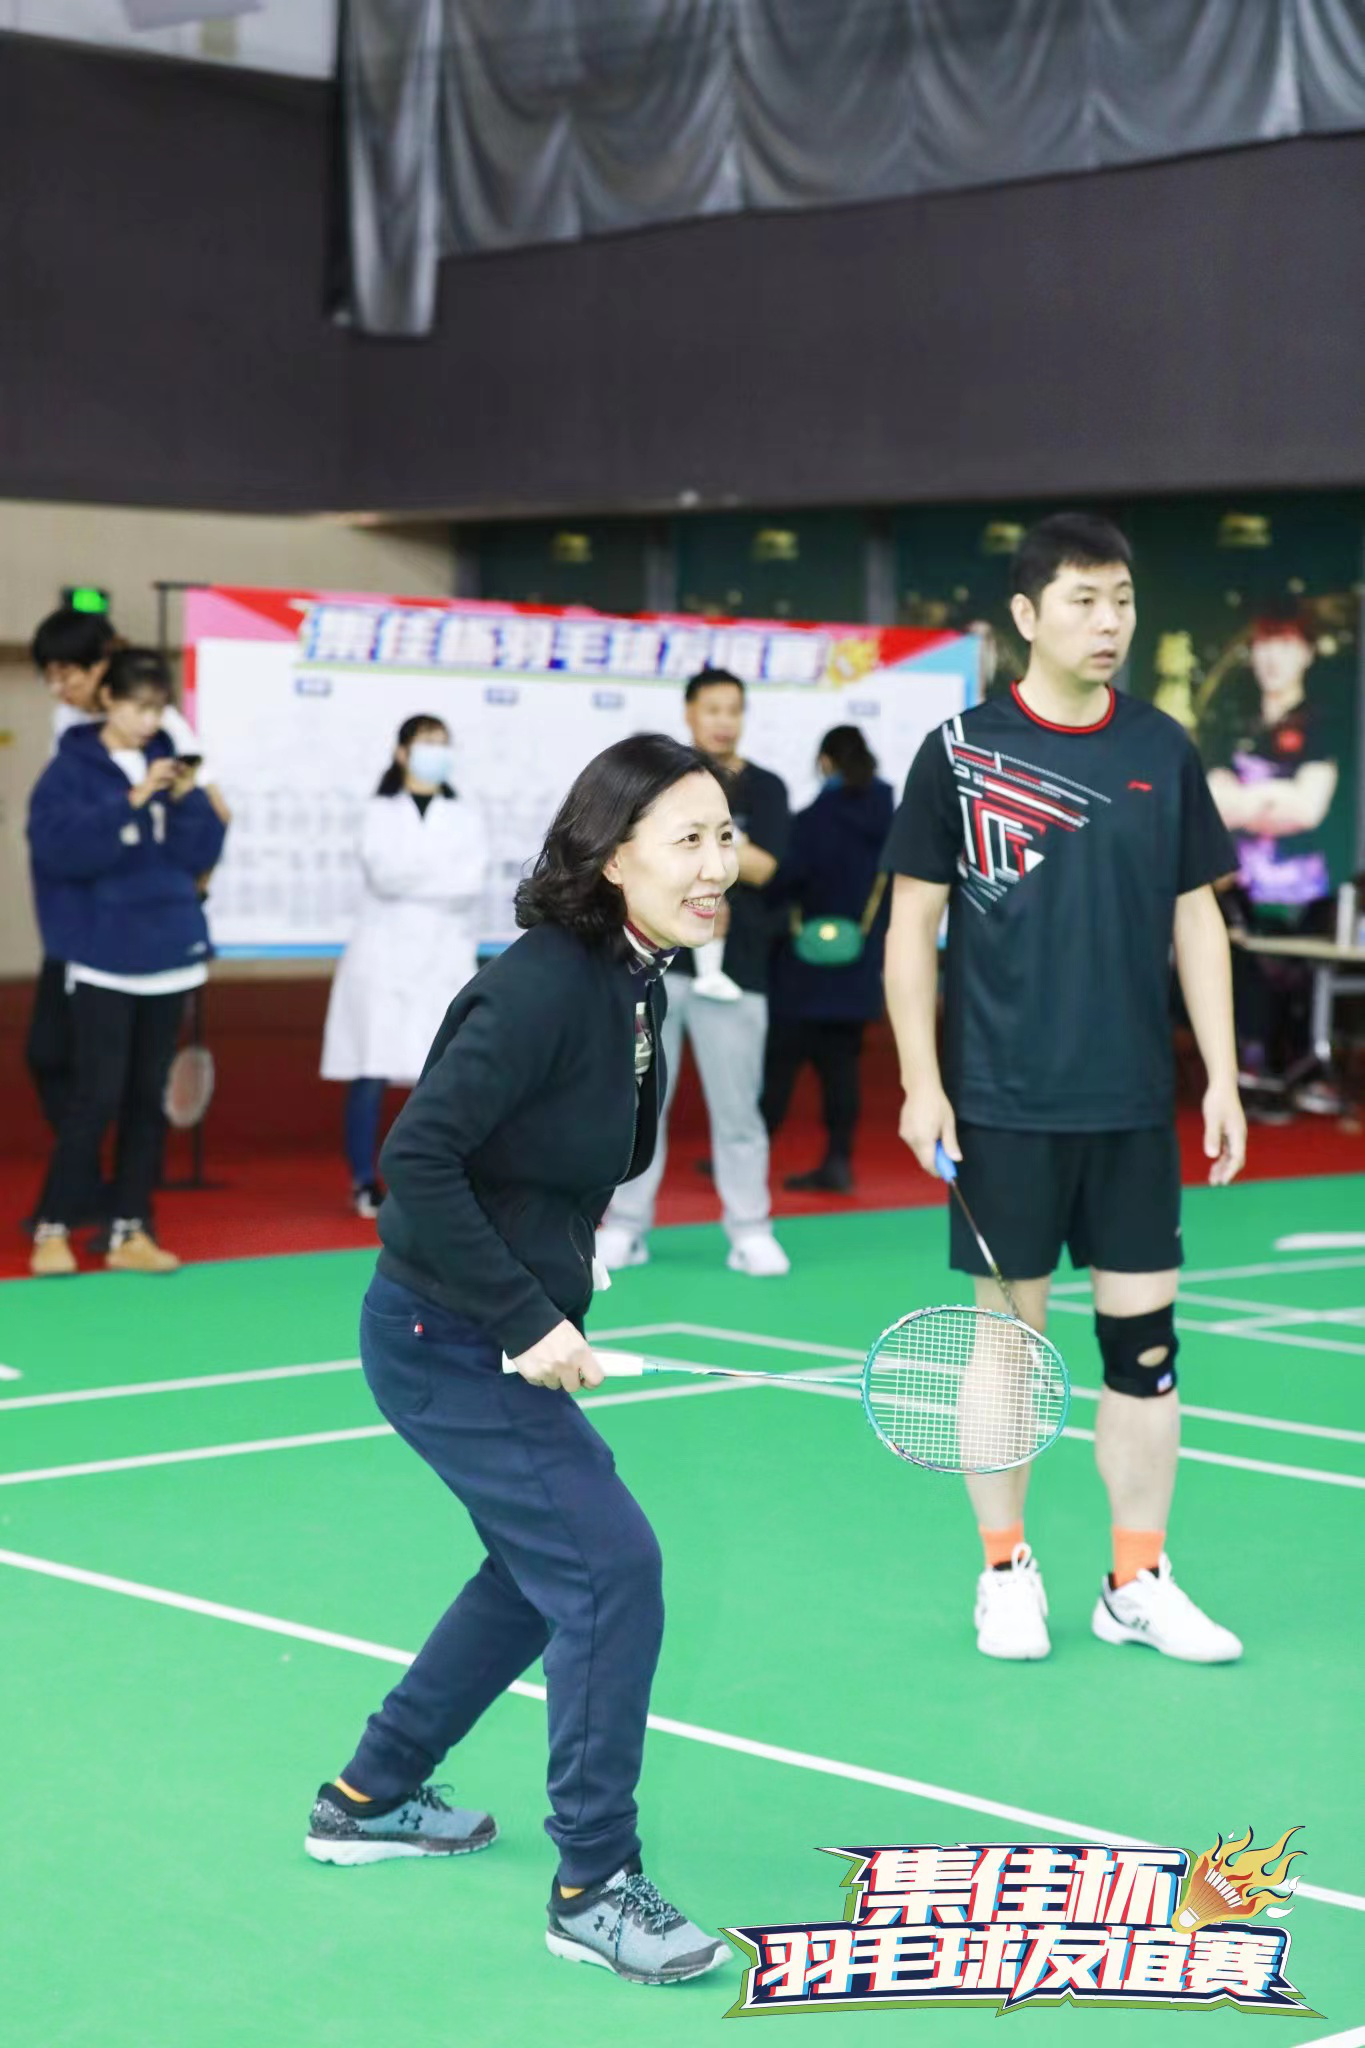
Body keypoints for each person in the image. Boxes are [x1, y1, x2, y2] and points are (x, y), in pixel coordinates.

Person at [304, 733, 737, 1985]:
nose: (717, 864)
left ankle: (370, 1793)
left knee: (535, 1568)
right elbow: (416, 1160)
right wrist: (524, 1316)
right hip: (441, 1335)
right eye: (689, 840)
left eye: (724, 836)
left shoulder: (637, 980)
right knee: (611, 1568)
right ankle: (593, 1881)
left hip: (488, 1325)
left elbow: (557, 1159)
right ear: (612, 858)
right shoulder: (543, 985)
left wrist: (559, 1285)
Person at [883, 512, 1247, 1665]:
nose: (1109, 622)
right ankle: (1004, 1569)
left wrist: (1222, 1074)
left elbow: (1198, 918)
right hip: (1002, 1105)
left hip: (1132, 1105)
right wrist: (920, 1081)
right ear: (1026, 616)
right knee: (1008, 1350)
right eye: (1084, 600)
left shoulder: (1161, 746)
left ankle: (1135, 1577)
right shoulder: (959, 749)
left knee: (1146, 1352)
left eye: (1122, 600)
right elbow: (911, 926)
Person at [26, 648, 227, 1277]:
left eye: (157, 709)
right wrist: (131, 801)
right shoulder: (70, 770)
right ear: (108, 700)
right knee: (96, 1096)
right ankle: (54, 1227)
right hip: (102, 958)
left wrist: (189, 800)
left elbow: (202, 852)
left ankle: (129, 1227)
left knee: (148, 1098)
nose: (148, 721)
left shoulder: (171, 765)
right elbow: (60, 853)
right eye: (138, 707)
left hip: (170, 953)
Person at [596, 666, 791, 1277]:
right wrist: (711, 841)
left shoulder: (767, 787)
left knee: (739, 1110)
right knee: (640, 1101)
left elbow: (766, 867)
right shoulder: (658, 786)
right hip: (657, 965)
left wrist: (703, 838)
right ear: (689, 713)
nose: (724, 721)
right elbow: (640, 856)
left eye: (734, 710)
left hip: (740, 972)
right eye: (713, 709)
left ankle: (750, 1228)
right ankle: (625, 1225)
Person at [320, 715, 488, 1215]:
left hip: (444, 952)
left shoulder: (466, 815)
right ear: (402, 752)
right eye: (427, 742)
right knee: (371, 1067)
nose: (437, 751)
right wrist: (436, 874)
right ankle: (363, 1180)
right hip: (384, 954)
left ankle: (439, 1178)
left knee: (445, 1073)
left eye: (444, 742)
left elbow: (469, 882)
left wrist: (418, 875)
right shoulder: (378, 811)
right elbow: (385, 875)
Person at [1207, 612, 1342, 1116]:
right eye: (1264, 644)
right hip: (1237, 887)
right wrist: (1274, 796)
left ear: (1306, 652)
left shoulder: (1323, 722)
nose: (1272, 657)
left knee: (1297, 977)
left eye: (1284, 644)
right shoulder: (1231, 717)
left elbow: (1307, 808)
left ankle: (1303, 1071)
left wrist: (1246, 797)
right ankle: (1251, 1071)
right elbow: (1214, 802)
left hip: (1304, 892)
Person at [762, 726, 894, 1192]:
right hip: (857, 966)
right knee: (842, 1071)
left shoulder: (813, 820)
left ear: (825, 762)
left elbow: (784, 880)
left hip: (803, 969)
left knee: (779, 1067)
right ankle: (838, 1160)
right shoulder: (889, 820)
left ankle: (747, 1158)